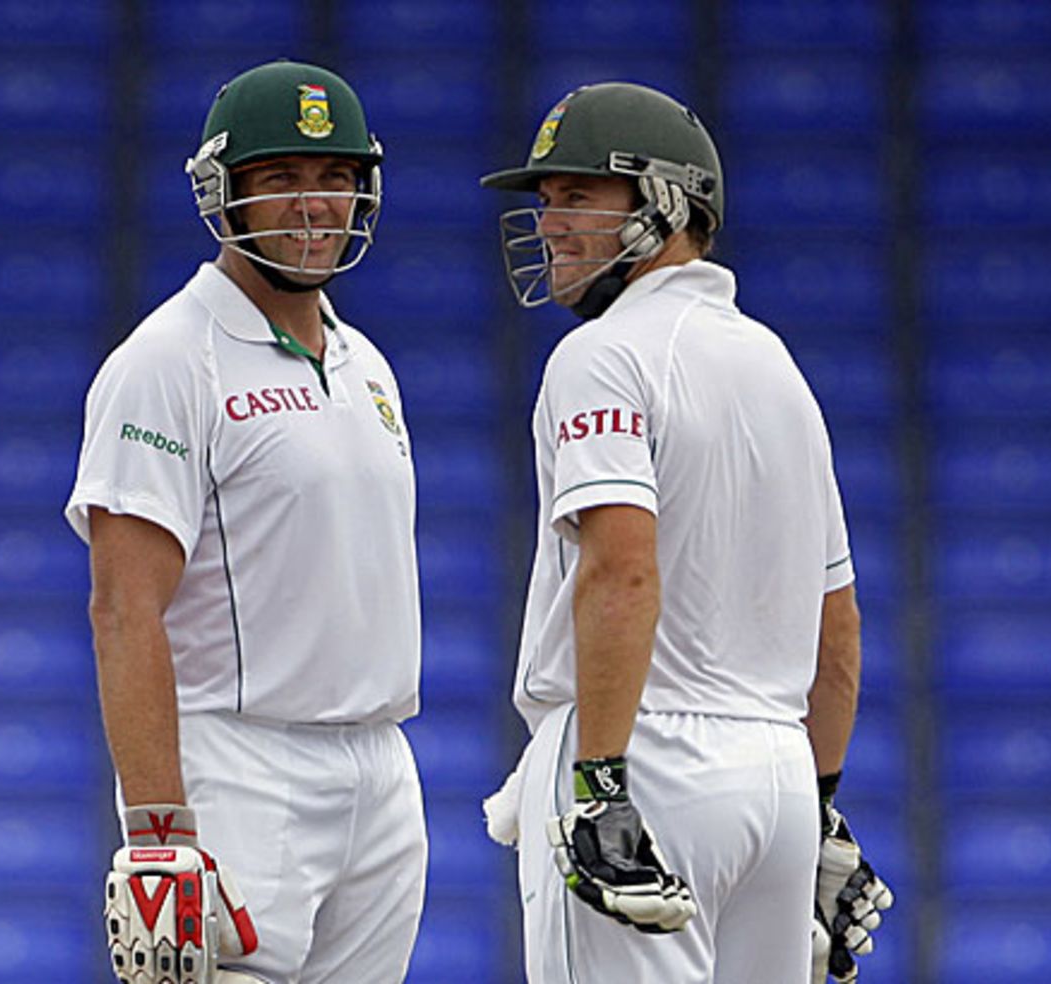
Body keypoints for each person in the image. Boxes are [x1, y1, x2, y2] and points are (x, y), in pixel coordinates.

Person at [478, 82, 892, 983]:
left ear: (666, 203)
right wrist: (817, 807)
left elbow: (621, 572)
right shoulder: (778, 368)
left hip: (644, 760)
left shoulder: (601, 355)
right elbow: (841, 626)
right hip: (777, 776)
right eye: (545, 200)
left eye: (579, 195)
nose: (550, 222)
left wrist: (600, 784)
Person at [65, 60, 426, 984]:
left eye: (336, 178)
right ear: (223, 198)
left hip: (381, 767)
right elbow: (122, 608)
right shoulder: (166, 362)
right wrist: (157, 832)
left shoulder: (368, 364)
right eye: (282, 180)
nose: (314, 205)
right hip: (241, 764)